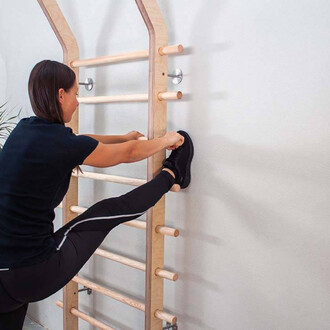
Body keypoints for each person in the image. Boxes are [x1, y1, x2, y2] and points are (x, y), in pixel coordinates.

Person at [0, 60, 193, 329]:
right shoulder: (61, 144)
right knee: (103, 212)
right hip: (31, 272)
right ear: (60, 94)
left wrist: (121, 136)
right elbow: (128, 155)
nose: (77, 101)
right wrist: (166, 141)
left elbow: (79, 140)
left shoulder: (23, 131)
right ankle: (174, 172)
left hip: (3, 279)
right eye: (75, 93)